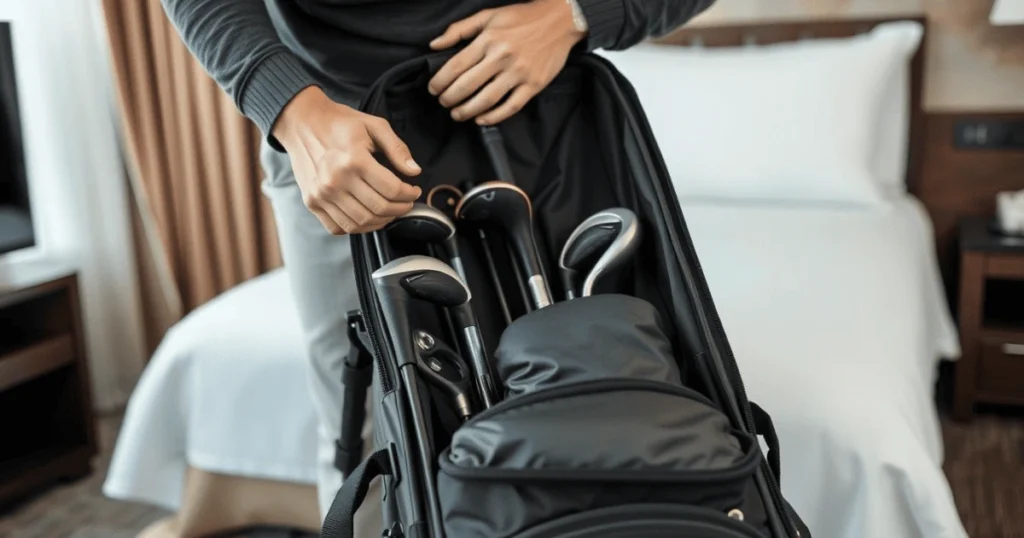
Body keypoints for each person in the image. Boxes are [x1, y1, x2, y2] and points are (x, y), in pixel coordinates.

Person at [161, 0, 715, 528]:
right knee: (376, 445)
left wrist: (578, 12)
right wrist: (291, 110)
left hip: (554, 136)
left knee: (620, 394)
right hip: (343, 145)